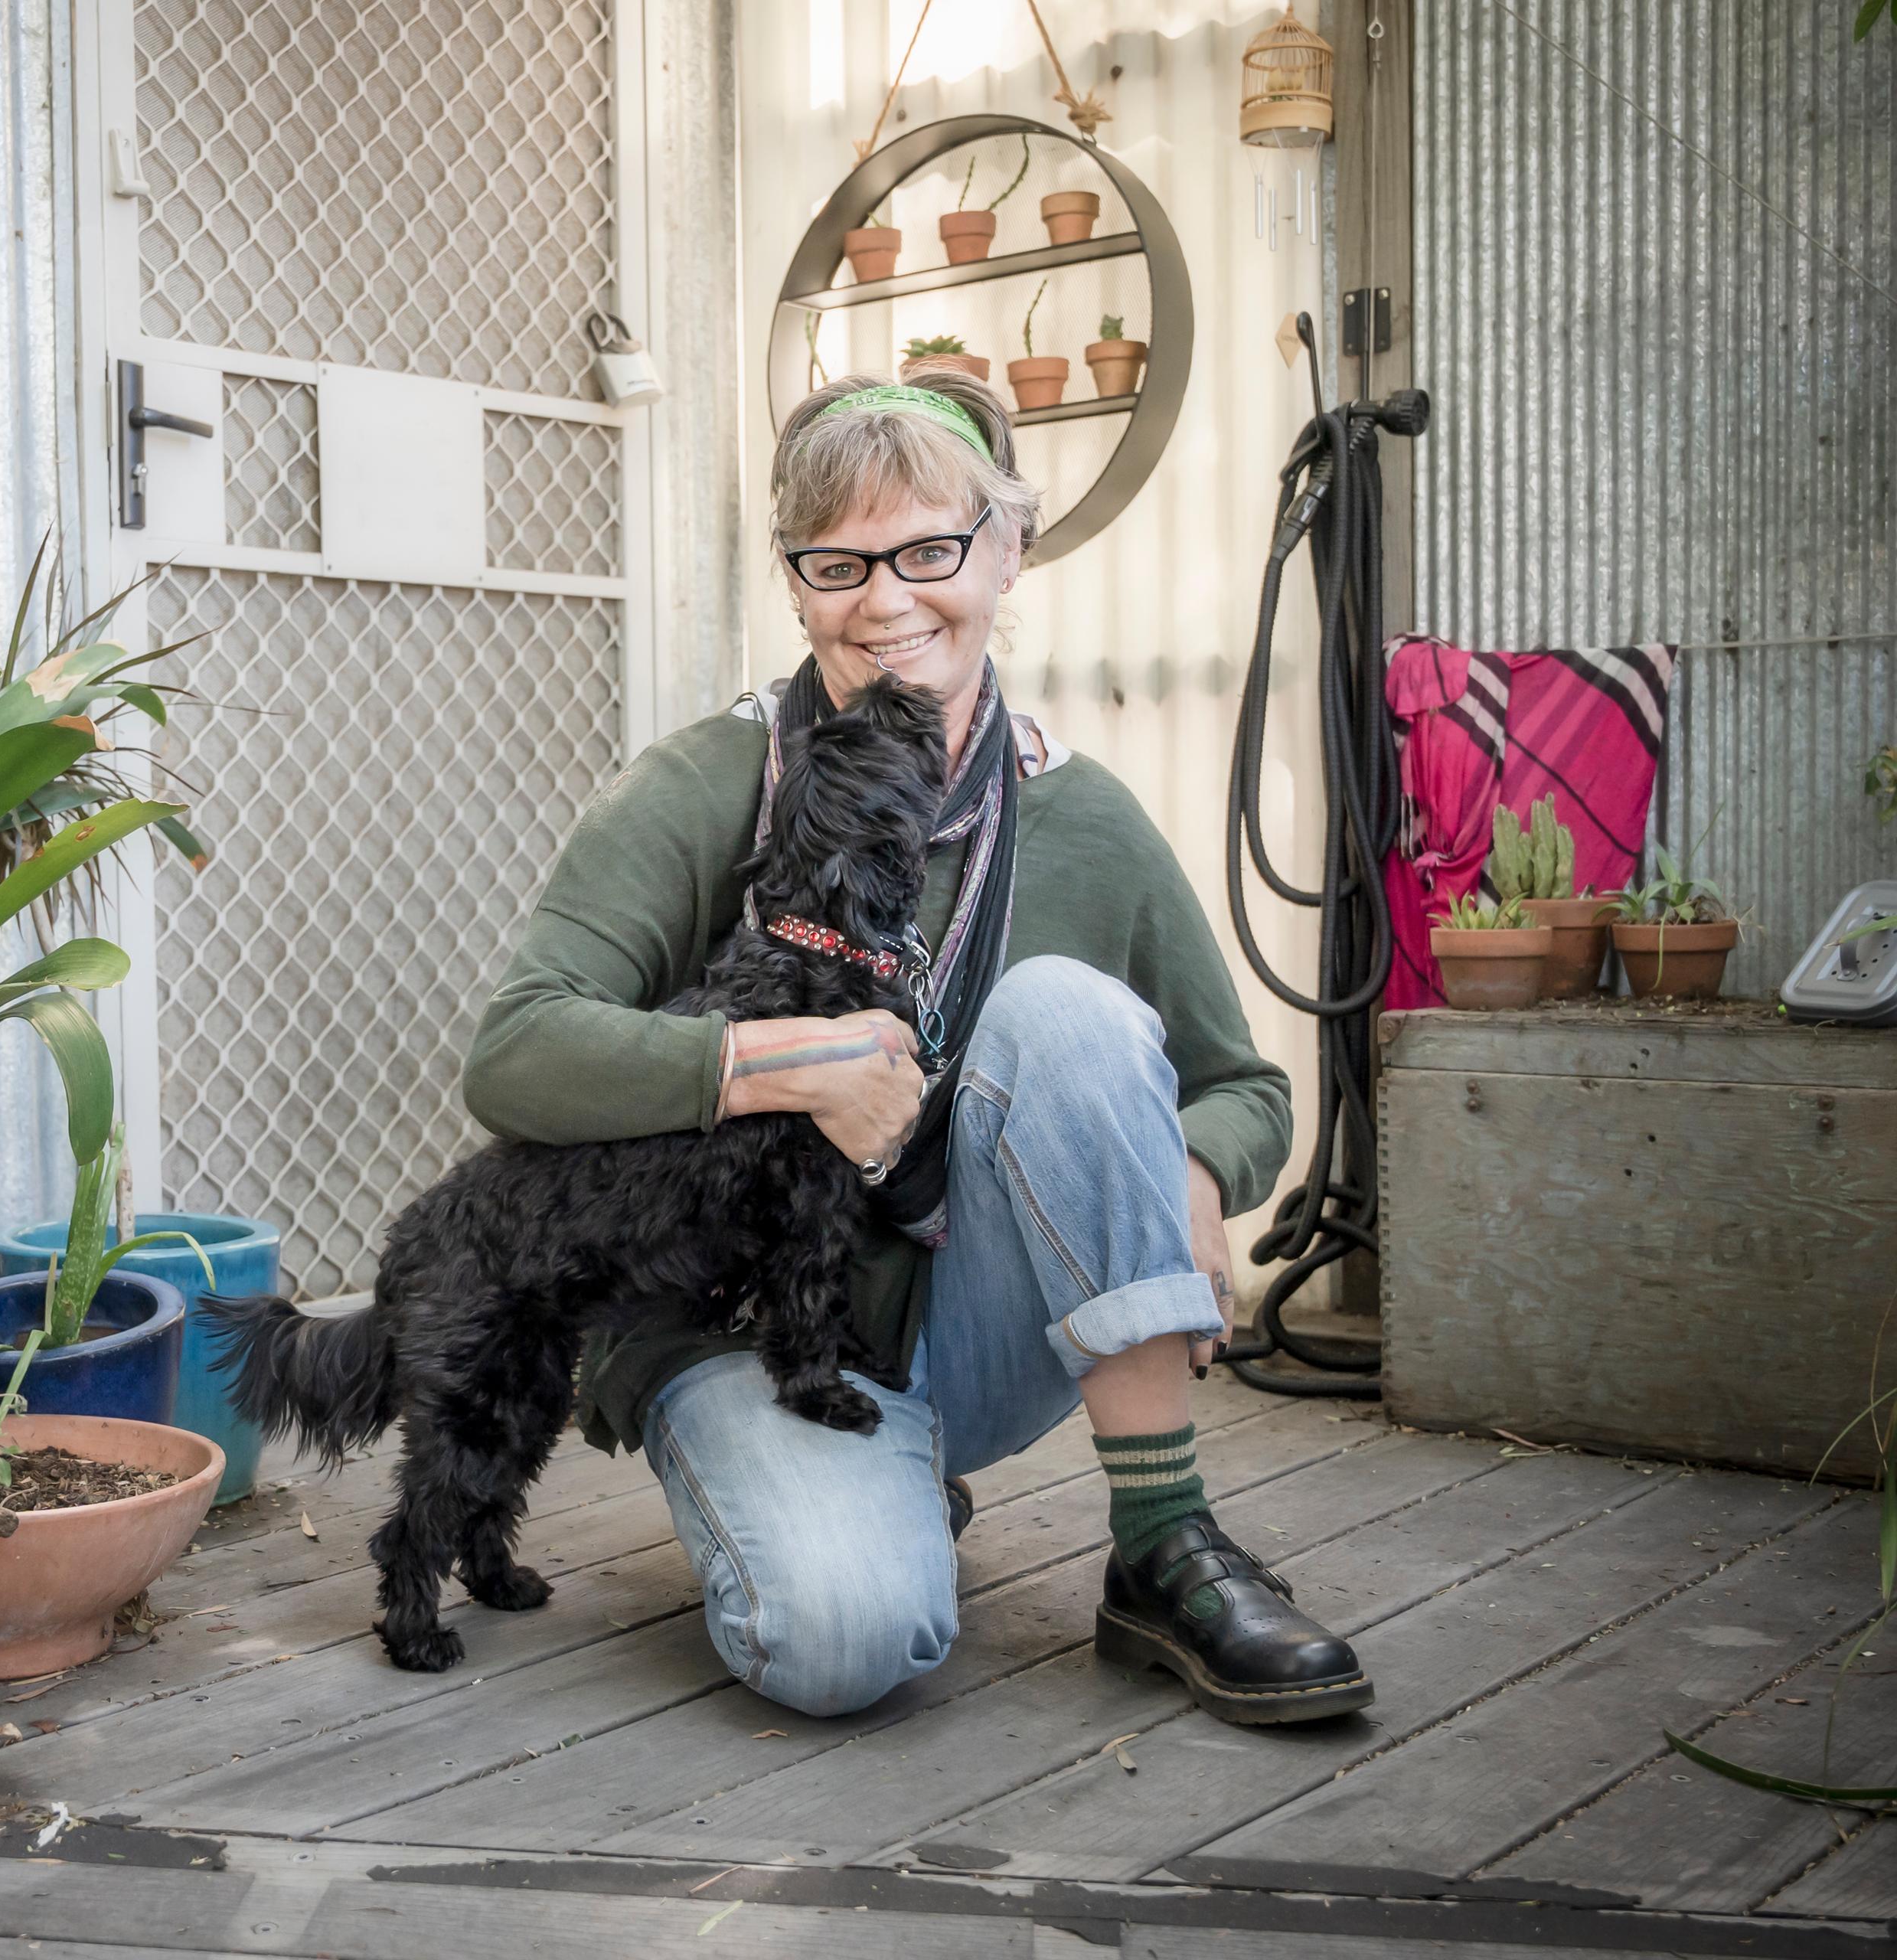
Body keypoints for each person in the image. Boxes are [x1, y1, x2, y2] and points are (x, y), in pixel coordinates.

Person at [459, 372, 1372, 1726]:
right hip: (747, 1327)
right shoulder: (710, 782)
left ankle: (1164, 1546)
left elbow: (1243, 1084)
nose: (885, 602)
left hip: (979, 1319)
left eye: (929, 552)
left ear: (1008, 551)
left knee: (1066, 1014)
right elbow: (516, 1052)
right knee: (839, 1644)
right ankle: (862, 1495)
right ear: (796, 583)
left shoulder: (1080, 814)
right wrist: (777, 1067)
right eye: (838, 565)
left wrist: (1191, 1166)